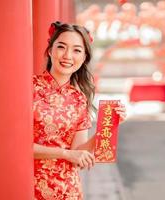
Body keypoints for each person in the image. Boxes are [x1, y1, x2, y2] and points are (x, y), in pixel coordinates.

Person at [33, 21, 126, 200]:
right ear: (50, 50)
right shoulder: (27, 88)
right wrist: (65, 153)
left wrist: (106, 128)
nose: (68, 55)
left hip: (68, 191)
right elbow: (15, 146)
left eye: (77, 50)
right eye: (61, 47)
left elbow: (78, 152)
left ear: (84, 58)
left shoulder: (79, 99)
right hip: (28, 187)